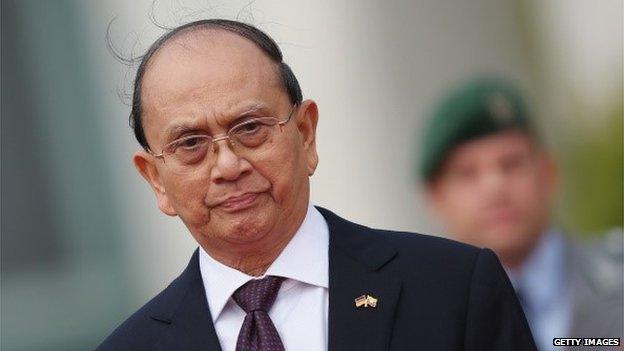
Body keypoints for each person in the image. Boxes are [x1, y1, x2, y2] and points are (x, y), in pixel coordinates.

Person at [96, 20, 536, 351]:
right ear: (155, 179)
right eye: (191, 143)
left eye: (250, 128)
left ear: (305, 134)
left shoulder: (452, 289)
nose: (228, 166)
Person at [418, 77, 624, 350]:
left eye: (511, 164)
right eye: (467, 173)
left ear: (548, 174)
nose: (495, 188)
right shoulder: (423, 326)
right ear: (436, 198)